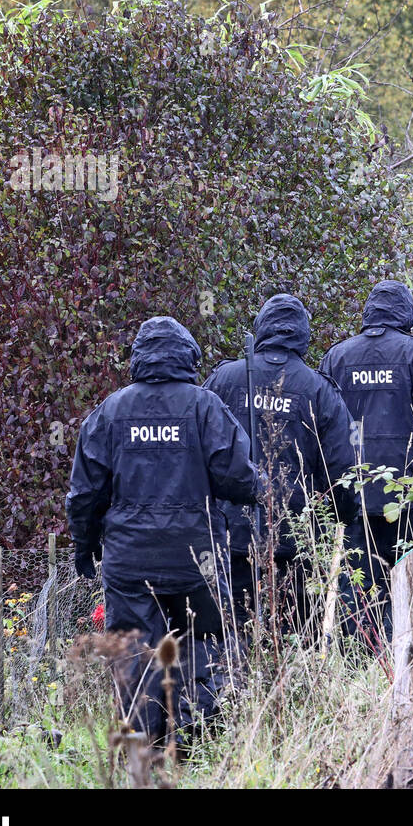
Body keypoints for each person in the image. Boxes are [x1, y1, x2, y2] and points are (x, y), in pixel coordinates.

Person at [66, 316, 258, 749]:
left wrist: (85, 544)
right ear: (188, 356)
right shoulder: (204, 406)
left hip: (129, 558)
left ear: (139, 359)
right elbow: (240, 480)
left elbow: (84, 493)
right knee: (206, 637)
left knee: (134, 653)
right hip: (197, 554)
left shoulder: (110, 412)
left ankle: (142, 747)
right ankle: (199, 735)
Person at [202, 295, 357, 636]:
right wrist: (346, 517)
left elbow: (194, 456)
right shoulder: (319, 390)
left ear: (261, 329)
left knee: (228, 641)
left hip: (229, 539)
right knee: (294, 642)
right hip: (296, 543)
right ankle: (291, 689)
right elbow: (344, 470)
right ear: (303, 335)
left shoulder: (224, 381)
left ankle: (236, 689)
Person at [319, 280, 413, 641]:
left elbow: (323, 425)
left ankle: (358, 656)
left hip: (352, 495)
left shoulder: (337, 357)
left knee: (356, 582)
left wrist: (327, 487)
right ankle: (404, 650)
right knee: (409, 581)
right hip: (409, 496)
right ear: (407, 315)